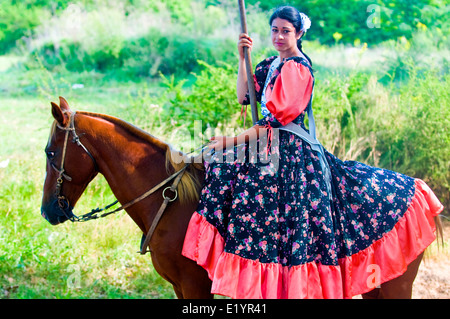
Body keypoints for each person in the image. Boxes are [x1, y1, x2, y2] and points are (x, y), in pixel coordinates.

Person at [181, 6, 443, 299]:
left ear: (299, 33)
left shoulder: (297, 67)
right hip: (268, 148)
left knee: (276, 208)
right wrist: (242, 59)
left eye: (286, 31)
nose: (279, 36)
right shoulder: (270, 64)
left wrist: (230, 140)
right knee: (221, 170)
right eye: (275, 30)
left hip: (293, 154)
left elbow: (274, 122)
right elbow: (245, 96)